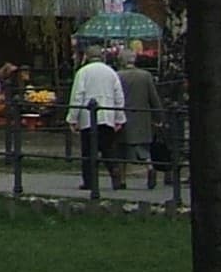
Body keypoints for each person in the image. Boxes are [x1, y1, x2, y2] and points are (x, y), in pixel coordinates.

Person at [66, 44, 127, 193]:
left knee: (88, 151)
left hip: (88, 118)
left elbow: (77, 96)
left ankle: (90, 181)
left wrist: (72, 118)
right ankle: (115, 172)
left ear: (87, 56)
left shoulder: (83, 72)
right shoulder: (111, 73)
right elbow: (119, 96)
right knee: (108, 149)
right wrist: (119, 118)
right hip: (107, 116)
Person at [119, 47, 163, 188]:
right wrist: (159, 116)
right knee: (144, 149)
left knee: (122, 151)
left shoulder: (118, 76)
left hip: (124, 116)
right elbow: (153, 97)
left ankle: (122, 180)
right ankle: (150, 168)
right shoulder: (146, 75)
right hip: (143, 117)